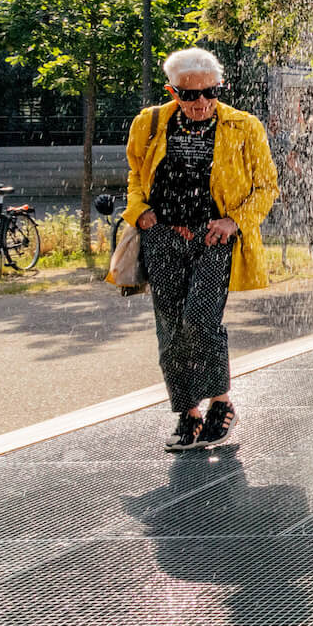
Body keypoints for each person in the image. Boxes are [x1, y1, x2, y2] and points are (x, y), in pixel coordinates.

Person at [110, 47, 280, 452]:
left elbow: (266, 186)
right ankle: (188, 413)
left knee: (200, 320)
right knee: (170, 327)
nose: (201, 102)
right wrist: (139, 211)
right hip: (162, 237)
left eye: (210, 92)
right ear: (173, 92)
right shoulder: (150, 123)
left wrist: (234, 221)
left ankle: (221, 403)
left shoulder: (244, 126)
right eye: (189, 95)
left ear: (220, 88)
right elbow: (136, 175)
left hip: (213, 239)